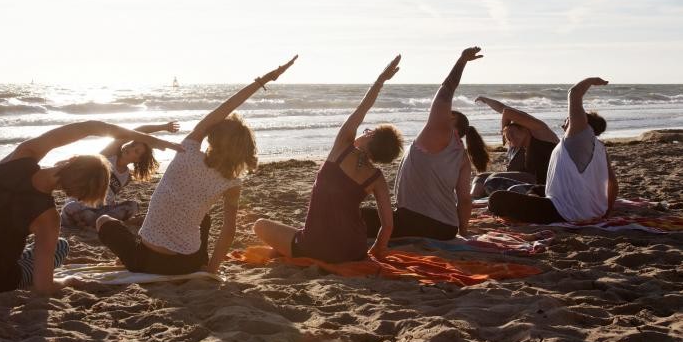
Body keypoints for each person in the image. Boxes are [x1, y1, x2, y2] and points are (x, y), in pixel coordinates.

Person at [0, 121, 183, 300]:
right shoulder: (48, 218)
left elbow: (90, 126)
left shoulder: (21, 156)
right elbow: (44, 288)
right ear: (76, 194)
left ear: (73, 159)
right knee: (62, 247)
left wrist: (146, 137)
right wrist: (70, 281)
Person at [97, 56, 297, 275]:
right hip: (189, 263)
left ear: (212, 137)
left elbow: (224, 108)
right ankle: (201, 260)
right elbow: (229, 231)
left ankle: (126, 257)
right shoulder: (232, 182)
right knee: (206, 218)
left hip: (146, 260)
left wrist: (264, 80)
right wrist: (211, 270)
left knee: (104, 220)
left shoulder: (186, 150)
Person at [253, 55, 403, 262]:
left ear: (370, 135)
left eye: (369, 130)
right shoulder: (376, 177)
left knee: (260, 225)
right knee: (298, 230)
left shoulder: (342, 147)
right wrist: (378, 248)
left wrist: (380, 80)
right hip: (354, 250)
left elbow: (362, 108)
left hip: (316, 247)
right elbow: (388, 225)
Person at [387, 47, 490, 240]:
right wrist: (463, 231)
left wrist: (462, 61)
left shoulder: (439, 132)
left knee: (359, 216)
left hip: (416, 221)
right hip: (446, 229)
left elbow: (445, 90)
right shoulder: (462, 156)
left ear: (450, 118)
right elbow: (465, 200)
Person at [489, 78, 617, 224]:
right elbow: (612, 183)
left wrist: (591, 81)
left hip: (565, 212)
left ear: (581, 123)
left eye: (568, 120)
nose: (564, 123)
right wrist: (606, 211)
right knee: (537, 190)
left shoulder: (577, 136)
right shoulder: (600, 147)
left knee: (496, 199)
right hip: (591, 210)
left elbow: (574, 93)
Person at [60, 120, 181, 229]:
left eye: (136, 151)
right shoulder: (107, 156)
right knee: (70, 207)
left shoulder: (127, 177)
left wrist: (110, 205)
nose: (131, 148)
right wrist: (163, 126)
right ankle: (95, 223)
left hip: (100, 211)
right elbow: (137, 131)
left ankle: (90, 223)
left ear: (137, 160)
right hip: (81, 206)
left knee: (133, 206)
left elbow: (110, 196)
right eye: (132, 145)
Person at [471, 95, 560, 196]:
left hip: (545, 185)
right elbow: (502, 108)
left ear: (525, 129)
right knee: (480, 177)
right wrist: (485, 99)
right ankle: (473, 200)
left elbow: (507, 111)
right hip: (529, 184)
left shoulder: (542, 132)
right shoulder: (522, 148)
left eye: (512, 133)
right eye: (508, 138)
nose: (511, 139)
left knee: (493, 179)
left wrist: (503, 130)